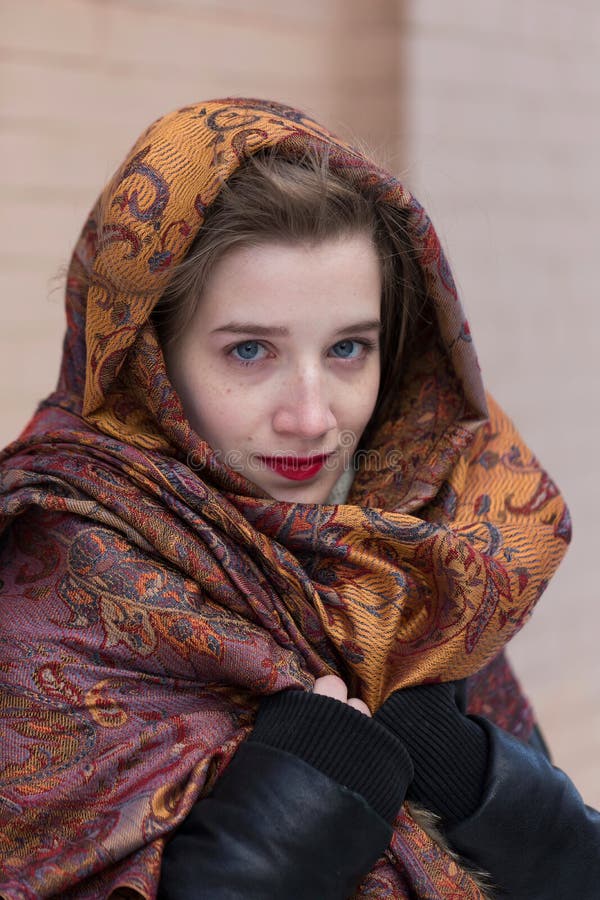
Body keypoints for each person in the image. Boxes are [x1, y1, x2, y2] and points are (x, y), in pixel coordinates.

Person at [0, 98, 597, 900]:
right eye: (251, 350)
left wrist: (483, 784)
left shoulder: (411, 556)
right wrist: (289, 821)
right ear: (152, 360)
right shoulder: (46, 583)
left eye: (349, 348)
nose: (314, 417)